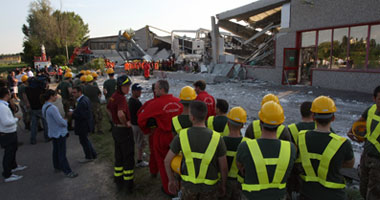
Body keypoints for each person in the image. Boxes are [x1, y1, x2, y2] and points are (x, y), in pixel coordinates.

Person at [164, 101, 228, 199]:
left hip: (188, 187)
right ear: (205, 116)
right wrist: (223, 185)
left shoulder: (182, 135)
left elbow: (167, 161)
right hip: (210, 188)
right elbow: (223, 167)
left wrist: (172, 180)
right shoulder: (217, 137)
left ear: (192, 117)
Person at [297, 96, 354, 200]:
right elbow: (349, 164)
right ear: (333, 118)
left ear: (313, 117)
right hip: (334, 195)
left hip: (308, 193)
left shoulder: (301, 137)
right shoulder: (343, 143)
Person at [236, 101, 296, 200]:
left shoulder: (245, 146)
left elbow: (240, 167)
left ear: (260, 121)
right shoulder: (290, 149)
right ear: (280, 123)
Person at [138, 80, 183, 197]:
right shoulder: (179, 102)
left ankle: (169, 189)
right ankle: (181, 187)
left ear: (162, 90)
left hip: (162, 136)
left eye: (156, 89)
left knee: (163, 162)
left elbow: (140, 119)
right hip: (178, 136)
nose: (154, 90)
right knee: (179, 161)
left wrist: (147, 130)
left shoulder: (155, 104)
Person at [347, 86, 380, 200]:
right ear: (374, 99)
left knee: (374, 191)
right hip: (366, 155)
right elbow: (360, 121)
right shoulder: (370, 110)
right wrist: (352, 131)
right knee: (363, 186)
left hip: (378, 161)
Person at [107, 75, 135, 192]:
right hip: (124, 131)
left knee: (119, 156)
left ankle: (118, 180)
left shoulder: (114, 96)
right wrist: (126, 123)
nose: (128, 88)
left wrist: (114, 122)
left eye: (129, 86)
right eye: (126, 86)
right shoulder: (122, 99)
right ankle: (128, 185)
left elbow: (108, 109)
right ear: (120, 87)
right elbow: (121, 114)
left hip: (116, 130)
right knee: (128, 157)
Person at [42, 90, 78, 178]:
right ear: (51, 96)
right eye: (55, 96)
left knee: (56, 150)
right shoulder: (53, 108)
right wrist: (66, 121)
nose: (56, 97)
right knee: (62, 152)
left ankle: (57, 166)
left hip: (52, 131)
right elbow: (60, 121)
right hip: (59, 132)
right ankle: (67, 171)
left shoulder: (44, 106)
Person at [221, 106, 249, 200]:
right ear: (242, 126)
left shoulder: (220, 141)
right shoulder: (247, 143)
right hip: (239, 184)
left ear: (228, 124)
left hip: (222, 181)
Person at [0, 87, 27, 182]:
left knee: (13, 149)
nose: (10, 94)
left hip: (10, 132)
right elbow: (6, 122)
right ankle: (7, 174)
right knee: (9, 153)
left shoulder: (4, 105)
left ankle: (13, 166)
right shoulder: (2, 107)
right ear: (6, 95)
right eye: (9, 93)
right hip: (6, 133)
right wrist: (16, 119)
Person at [70, 86, 97, 162]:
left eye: (74, 92)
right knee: (86, 140)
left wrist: (73, 114)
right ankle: (93, 154)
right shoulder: (85, 99)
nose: (73, 94)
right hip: (86, 124)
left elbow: (82, 115)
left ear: (80, 92)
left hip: (83, 125)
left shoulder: (82, 102)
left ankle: (88, 156)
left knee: (84, 141)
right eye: (72, 92)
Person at [137, 83, 159, 178]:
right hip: (167, 133)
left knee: (154, 152)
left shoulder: (149, 103)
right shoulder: (173, 102)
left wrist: (146, 131)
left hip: (153, 132)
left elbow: (140, 117)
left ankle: (154, 172)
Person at [128, 83, 148, 168]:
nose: (140, 92)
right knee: (140, 142)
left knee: (137, 141)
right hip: (137, 125)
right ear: (133, 91)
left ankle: (140, 153)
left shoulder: (130, 100)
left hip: (133, 124)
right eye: (138, 91)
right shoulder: (136, 103)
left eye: (140, 90)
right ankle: (139, 161)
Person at [25, 77, 49, 144]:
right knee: (45, 123)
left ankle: (33, 139)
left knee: (34, 125)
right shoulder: (40, 89)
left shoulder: (27, 89)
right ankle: (47, 137)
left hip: (33, 108)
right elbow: (46, 95)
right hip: (41, 108)